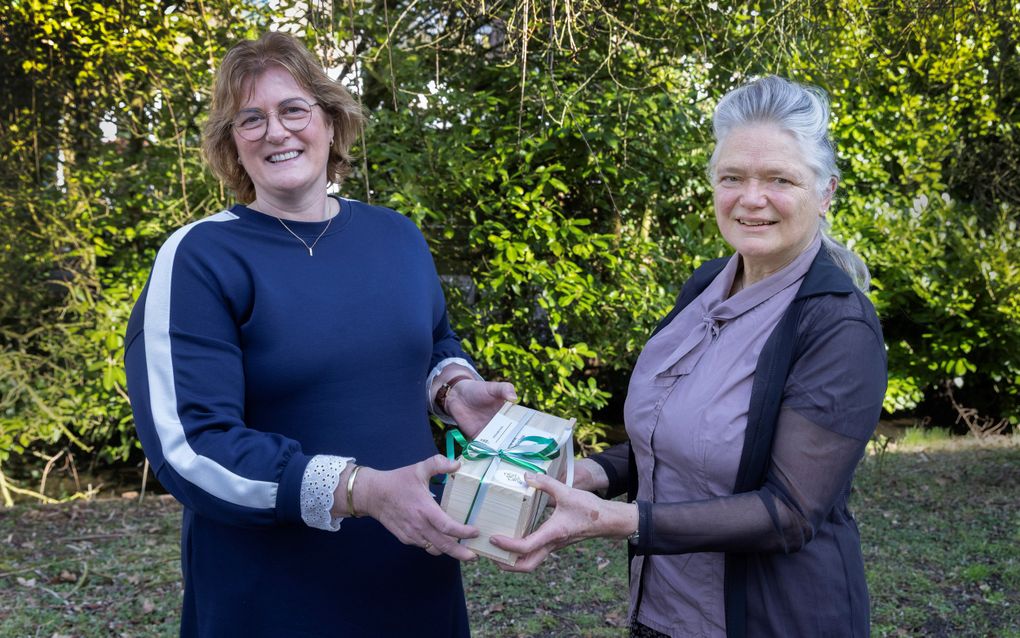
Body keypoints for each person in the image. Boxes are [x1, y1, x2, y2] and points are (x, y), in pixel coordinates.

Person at [124, 31, 516, 637]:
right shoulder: (202, 257)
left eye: (293, 110)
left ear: (332, 122)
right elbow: (191, 448)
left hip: (416, 577)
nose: (275, 132)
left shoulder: (396, 236)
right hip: (273, 599)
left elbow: (433, 341)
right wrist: (361, 490)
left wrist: (451, 387)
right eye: (250, 119)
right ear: (232, 143)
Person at [491, 75, 887, 638]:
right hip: (661, 615)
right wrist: (591, 474)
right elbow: (672, 436)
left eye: (779, 178)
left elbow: (790, 512)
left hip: (775, 622)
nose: (752, 198)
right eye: (733, 178)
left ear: (825, 194)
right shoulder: (705, 285)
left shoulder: (837, 325)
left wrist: (620, 521)